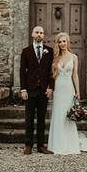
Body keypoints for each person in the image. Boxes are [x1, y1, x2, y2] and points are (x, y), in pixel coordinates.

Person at [46, 32, 87, 155]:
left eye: (64, 41)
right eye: (60, 42)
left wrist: (77, 91)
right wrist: (51, 89)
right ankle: (57, 144)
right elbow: (52, 77)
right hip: (58, 89)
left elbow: (75, 75)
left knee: (68, 115)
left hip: (69, 88)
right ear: (57, 44)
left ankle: (70, 143)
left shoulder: (73, 57)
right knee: (59, 115)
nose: (62, 44)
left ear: (68, 42)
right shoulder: (55, 58)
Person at [19, 25, 53, 154]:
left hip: (44, 90)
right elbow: (22, 71)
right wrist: (23, 89)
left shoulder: (49, 51)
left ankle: (40, 145)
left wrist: (50, 87)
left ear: (43, 36)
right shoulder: (26, 51)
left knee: (41, 118)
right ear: (32, 34)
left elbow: (51, 71)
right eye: (37, 32)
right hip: (30, 89)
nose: (39, 34)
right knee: (29, 118)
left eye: (41, 33)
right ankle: (28, 144)